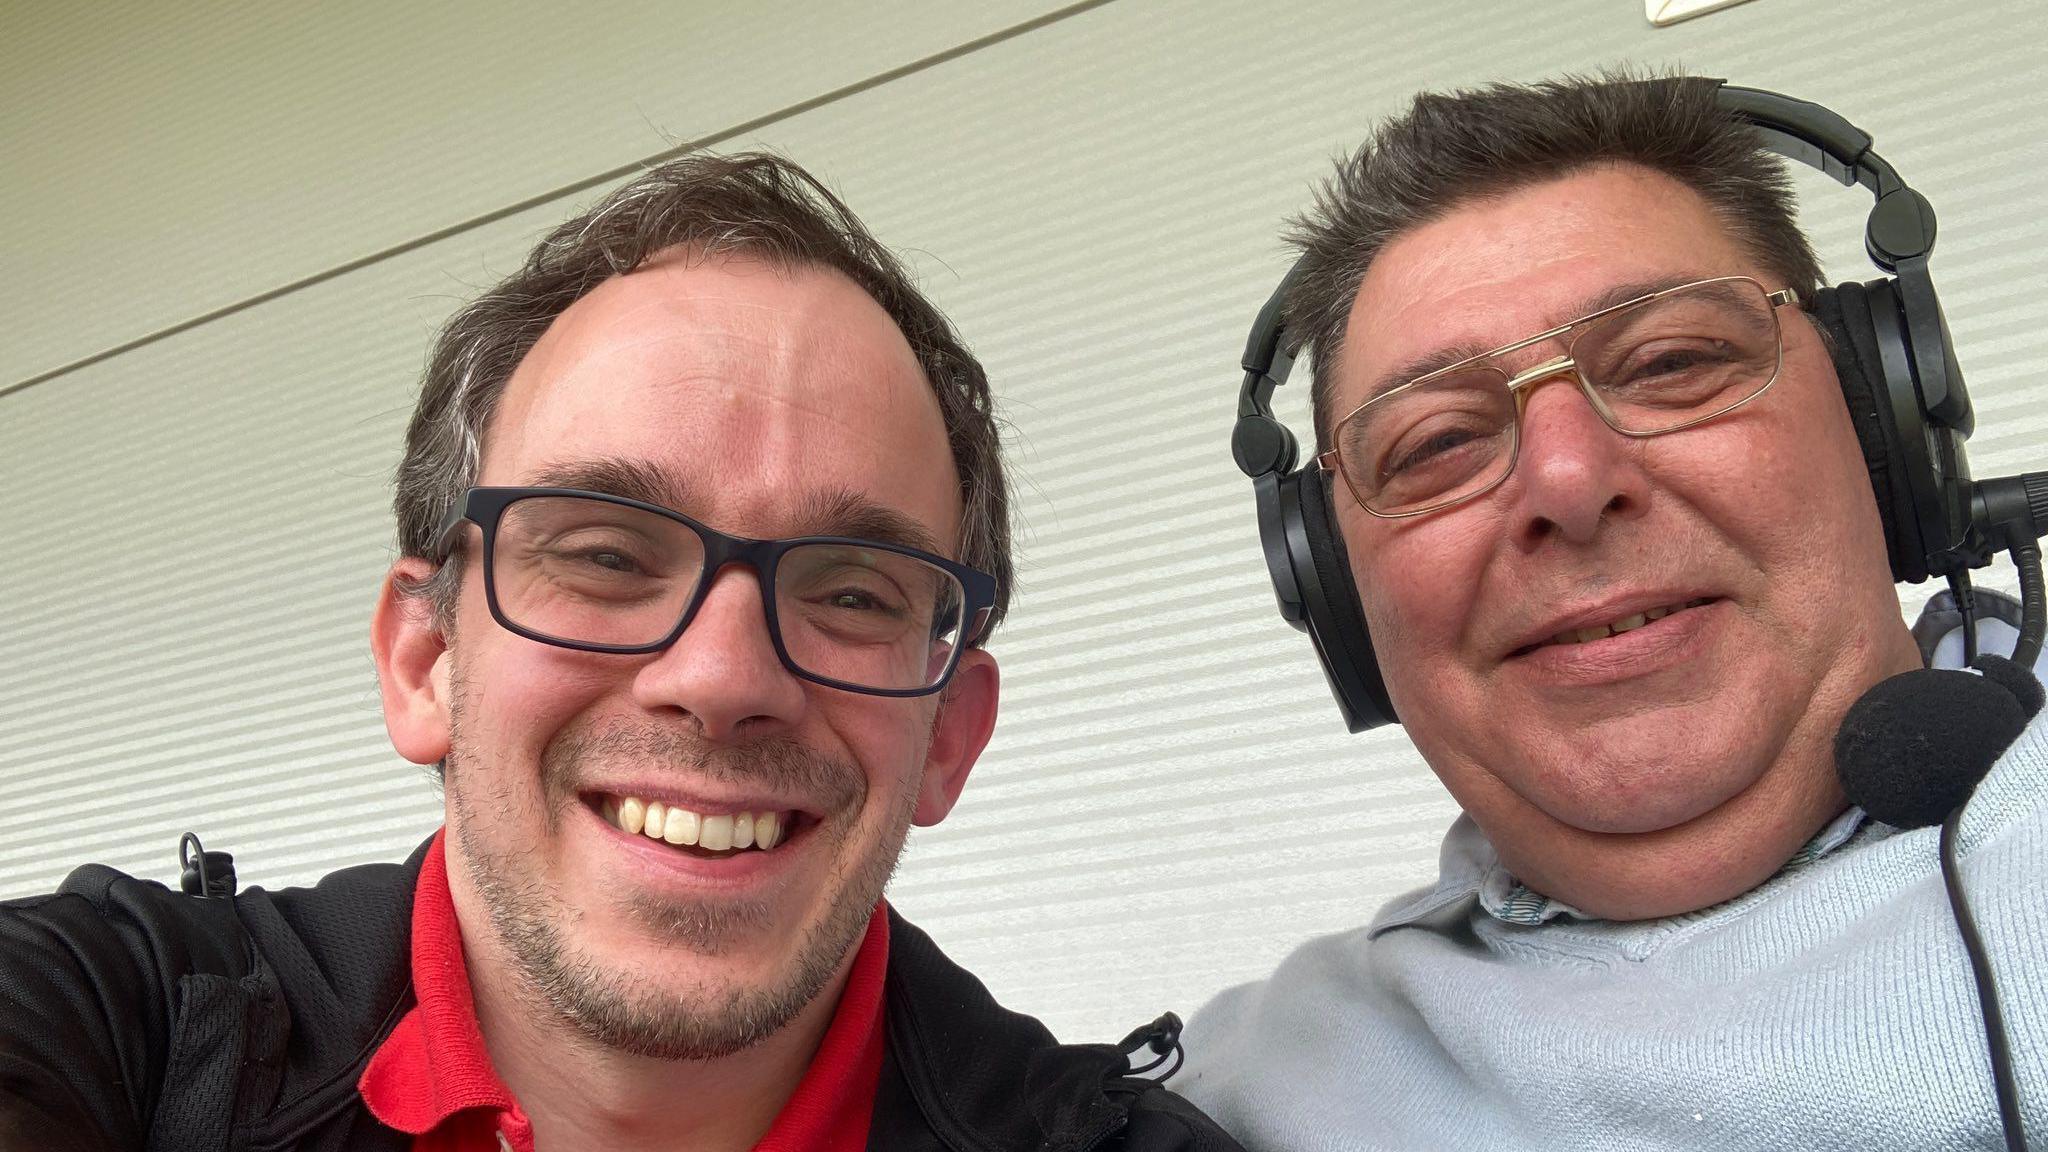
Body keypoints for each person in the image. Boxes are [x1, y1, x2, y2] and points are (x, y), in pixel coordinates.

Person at [0, 153, 1238, 1152]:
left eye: (852, 590)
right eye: (601, 556)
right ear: (426, 659)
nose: (722, 680)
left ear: (949, 739)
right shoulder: (125, 1031)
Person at [1183, 74, 2047, 1150]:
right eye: (1437, 443)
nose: (1565, 480)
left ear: (1885, 431)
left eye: (1671, 363)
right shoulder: (1224, 1099)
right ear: (1333, 591)